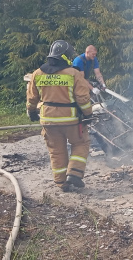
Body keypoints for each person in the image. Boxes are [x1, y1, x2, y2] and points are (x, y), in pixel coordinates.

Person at [27, 40, 94, 192]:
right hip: (71, 121)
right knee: (81, 143)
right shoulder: (73, 74)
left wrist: (31, 111)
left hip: (49, 121)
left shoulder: (37, 73)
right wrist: (88, 114)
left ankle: (61, 183)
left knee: (56, 151)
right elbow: (83, 98)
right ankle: (75, 174)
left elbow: (32, 98)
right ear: (66, 57)